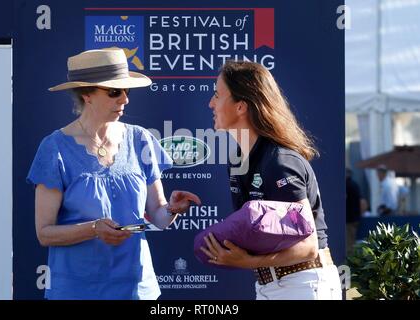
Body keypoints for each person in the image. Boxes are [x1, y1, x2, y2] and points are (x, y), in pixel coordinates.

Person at [26, 47, 201, 300]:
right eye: (114, 92)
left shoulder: (140, 139)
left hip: (136, 289)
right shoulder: (54, 148)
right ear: (87, 94)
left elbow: (160, 218)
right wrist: (94, 228)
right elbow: (44, 232)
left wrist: (172, 209)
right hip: (77, 291)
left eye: (126, 91)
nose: (125, 99)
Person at [199, 60, 342, 300]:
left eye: (217, 95)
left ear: (241, 106)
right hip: (270, 284)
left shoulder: (280, 162)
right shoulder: (238, 161)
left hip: (303, 283)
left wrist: (248, 261)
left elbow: (308, 247)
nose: (211, 103)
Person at [346, 168, 362, 256]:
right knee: (351, 241)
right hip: (355, 218)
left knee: (350, 243)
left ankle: (351, 261)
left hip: (350, 219)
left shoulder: (348, 185)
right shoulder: (355, 184)